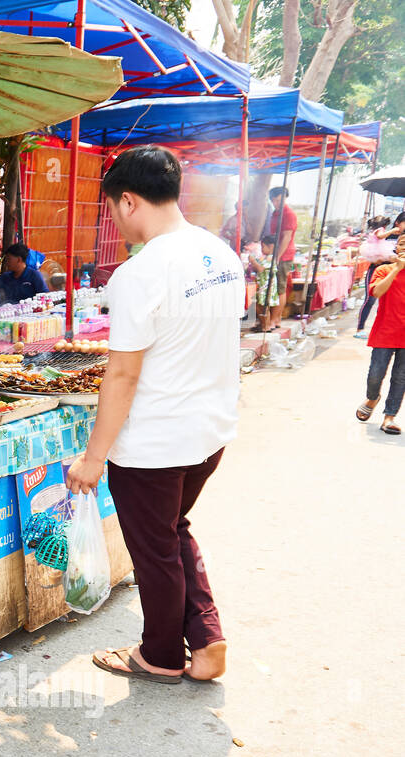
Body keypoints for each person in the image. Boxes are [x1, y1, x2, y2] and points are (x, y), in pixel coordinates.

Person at [65, 146, 244, 684]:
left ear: (128, 200)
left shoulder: (141, 273)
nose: (117, 222)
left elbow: (122, 376)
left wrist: (93, 459)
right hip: (210, 434)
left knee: (155, 550)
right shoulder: (221, 256)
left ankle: (160, 655)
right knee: (173, 531)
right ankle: (208, 642)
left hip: (154, 444)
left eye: (114, 210)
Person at [354, 231, 405, 436]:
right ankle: (372, 398)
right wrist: (396, 270)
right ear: (396, 248)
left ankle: (389, 417)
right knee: (376, 374)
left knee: (401, 378)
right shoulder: (383, 270)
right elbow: (376, 292)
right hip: (385, 330)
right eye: (402, 243)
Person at [261, 185, 298, 330]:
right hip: (274, 254)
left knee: (279, 288)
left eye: (278, 200)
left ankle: (275, 319)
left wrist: (277, 257)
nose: (276, 203)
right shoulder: (275, 213)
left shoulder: (288, 214)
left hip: (284, 255)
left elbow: (286, 238)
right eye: (273, 201)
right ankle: (272, 318)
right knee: (272, 287)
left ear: (285, 198)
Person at [356, 216, 395, 338]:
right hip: (375, 267)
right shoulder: (380, 231)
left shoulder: (378, 231)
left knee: (380, 302)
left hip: (384, 265)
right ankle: (360, 328)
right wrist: (393, 231)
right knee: (370, 300)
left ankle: (378, 329)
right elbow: (380, 236)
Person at [247, 235, 279, 330]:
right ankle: (263, 324)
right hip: (263, 285)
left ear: (271, 246)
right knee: (260, 305)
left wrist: (253, 261)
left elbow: (260, 268)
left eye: (263, 247)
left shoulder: (270, 258)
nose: (262, 249)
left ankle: (266, 326)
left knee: (264, 306)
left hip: (267, 286)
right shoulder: (267, 258)